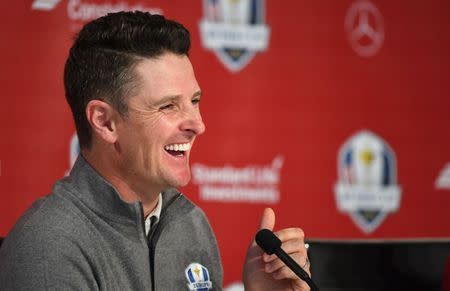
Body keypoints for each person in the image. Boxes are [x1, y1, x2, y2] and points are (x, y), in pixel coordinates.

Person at [0, 11, 310, 290]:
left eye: (195, 101)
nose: (197, 124)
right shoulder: (48, 246)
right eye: (168, 106)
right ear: (105, 122)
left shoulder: (191, 224)